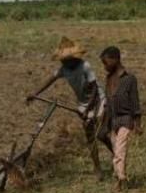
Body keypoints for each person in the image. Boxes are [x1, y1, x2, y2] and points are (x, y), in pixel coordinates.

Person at [27, 36, 111, 180]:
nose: (64, 62)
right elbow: (50, 80)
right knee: (90, 137)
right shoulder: (64, 69)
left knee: (101, 134)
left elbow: (94, 90)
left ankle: (116, 154)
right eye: (62, 60)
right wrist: (35, 93)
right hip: (83, 104)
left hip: (97, 100)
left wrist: (87, 110)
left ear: (74, 58)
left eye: (66, 60)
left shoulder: (85, 66)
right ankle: (97, 168)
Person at [100, 46, 142, 193]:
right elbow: (107, 103)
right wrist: (104, 124)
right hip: (113, 120)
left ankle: (120, 180)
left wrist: (138, 124)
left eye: (106, 63)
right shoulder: (109, 79)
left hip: (126, 119)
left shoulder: (129, 79)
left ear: (115, 59)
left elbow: (135, 102)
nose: (105, 67)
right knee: (117, 150)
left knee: (120, 150)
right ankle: (119, 174)